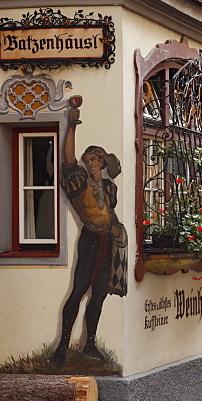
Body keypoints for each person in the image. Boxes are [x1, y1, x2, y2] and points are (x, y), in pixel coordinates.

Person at [52, 103, 128, 367]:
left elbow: (109, 212)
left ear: (102, 162)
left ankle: (90, 343)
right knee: (78, 291)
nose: (90, 164)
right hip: (91, 240)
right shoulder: (79, 181)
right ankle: (62, 345)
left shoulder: (108, 187)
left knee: (99, 293)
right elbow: (68, 160)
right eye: (88, 161)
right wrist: (72, 125)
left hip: (108, 239)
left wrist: (116, 225)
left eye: (94, 160)